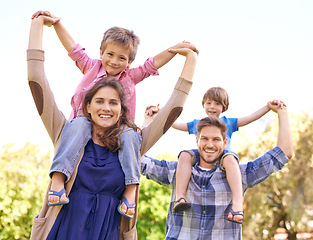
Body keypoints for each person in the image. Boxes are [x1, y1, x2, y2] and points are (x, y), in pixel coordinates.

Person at [27, 14, 197, 240]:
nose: (106, 108)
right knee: (77, 126)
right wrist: (39, 25)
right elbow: (37, 78)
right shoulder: (66, 134)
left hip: (108, 233)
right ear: (87, 105)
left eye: (113, 102)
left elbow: (172, 106)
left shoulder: (131, 143)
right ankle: (57, 179)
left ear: (122, 109)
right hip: (63, 232)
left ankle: (130, 190)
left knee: (130, 135)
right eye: (99, 101)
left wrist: (189, 59)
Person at [140, 100, 293, 239]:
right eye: (205, 138)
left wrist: (282, 112)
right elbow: (137, 160)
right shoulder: (179, 171)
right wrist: (148, 121)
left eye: (216, 139)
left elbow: (283, 153)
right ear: (196, 140)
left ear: (225, 142)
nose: (210, 144)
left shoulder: (239, 175)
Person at [171, 86, 276, 223]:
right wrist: (159, 115)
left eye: (217, 103)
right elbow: (175, 124)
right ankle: (180, 198)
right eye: (208, 103)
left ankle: (237, 204)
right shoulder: (197, 123)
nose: (212, 107)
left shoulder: (229, 122)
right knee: (184, 155)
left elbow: (250, 118)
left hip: (222, 155)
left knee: (230, 159)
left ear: (224, 106)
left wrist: (267, 107)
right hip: (202, 154)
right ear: (203, 104)